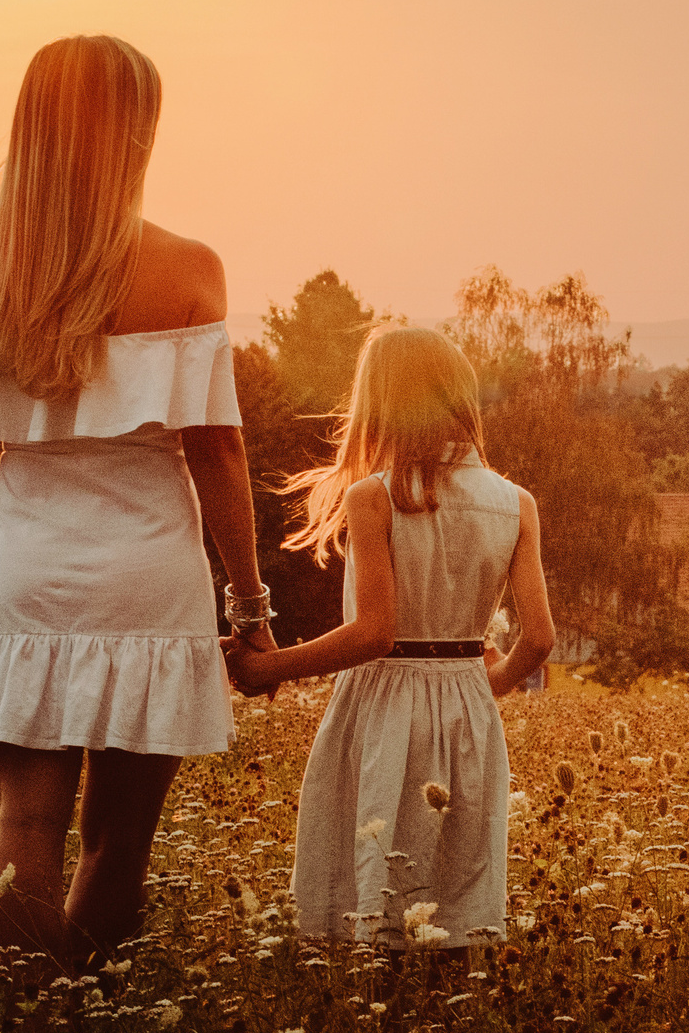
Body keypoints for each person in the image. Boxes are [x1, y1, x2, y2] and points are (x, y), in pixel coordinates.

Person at [0, 34, 276, 1004]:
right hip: (146, 580)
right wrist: (248, 606)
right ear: (137, 133)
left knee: (22, 829)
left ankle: (28, 1031)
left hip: (25, 577)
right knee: (117, 840)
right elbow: (218, 452)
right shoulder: (188, 270)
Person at [225, 325, 554, 949]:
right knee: (454, 892)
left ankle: (373, 1025)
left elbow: (376, 633)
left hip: (381, 705)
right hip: (466, 707)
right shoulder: (516, 503)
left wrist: (269, 669)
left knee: (370, 885)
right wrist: (487, 686)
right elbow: (538, 639)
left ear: (379, 401)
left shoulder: (374, 497)